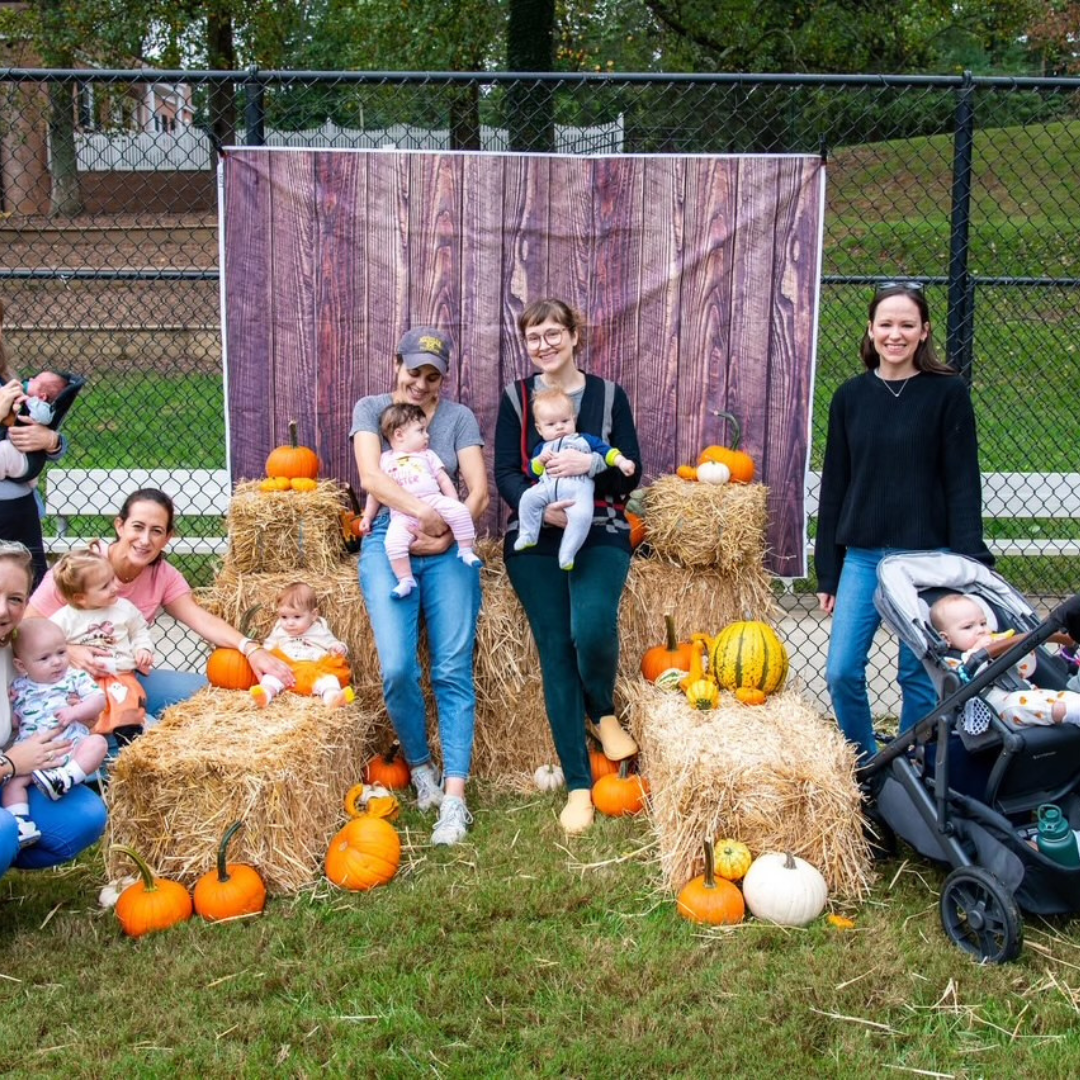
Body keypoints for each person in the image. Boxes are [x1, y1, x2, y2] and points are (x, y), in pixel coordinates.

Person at [815, 282, 993, 762]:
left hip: (926, 562)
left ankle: (913, 766)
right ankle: (868, 764)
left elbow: (962, 482)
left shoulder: (947, 394)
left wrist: (970, 561)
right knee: (842, 670)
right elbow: (835, 487)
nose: (896, 334)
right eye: (886, 324)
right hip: (864, 559)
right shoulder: (850, 397)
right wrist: (828, 571)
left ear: (924, 331)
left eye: (907, 325)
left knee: (917, 673)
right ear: (871, 330)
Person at [494, 299, 642, 836]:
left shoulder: (608, 397)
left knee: (592, 625)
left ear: (575, 335)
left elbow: (631, 472)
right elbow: (507, 473)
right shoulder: (516, 398)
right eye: (534, 337)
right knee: (556, 643)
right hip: (534, 537)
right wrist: (540, 500)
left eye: (554, 333)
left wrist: (590, 468)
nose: (545, 345)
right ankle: (580, 785)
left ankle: (601, 710)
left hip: (600, 528)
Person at [351, 326, 488, 846]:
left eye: (433, 376)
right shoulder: (371, 409)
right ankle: (420, 766)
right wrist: (424, 517)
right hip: (392, 536)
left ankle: (453, 799)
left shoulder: (457, 419)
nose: (422, 384)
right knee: (397, 668)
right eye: (414, 372)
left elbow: (477, 491)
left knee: (453, 667)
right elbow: (372, 478)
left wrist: (447, 530)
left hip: (448, 541)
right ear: (396, 365)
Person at [26, 488, 295, 717]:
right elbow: (26, 625)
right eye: (137, 527)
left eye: (156, 531)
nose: (145, 540)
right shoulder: (80, 569)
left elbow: (201, 619)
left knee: (211, 697)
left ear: (168, 538)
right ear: (120, 525)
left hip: (124, 675)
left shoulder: (164, 576)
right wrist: (68, 649)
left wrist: (251, 649)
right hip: (68, 681)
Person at [0, 540, 107, 880]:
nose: (3, 610)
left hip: (13, 774)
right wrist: (12, 763)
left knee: (85, 816)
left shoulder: (18, 653)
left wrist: (80, 714)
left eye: (15, 599)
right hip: (9, 770)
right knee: (4, 830)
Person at [359, 402, 482, 599]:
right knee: (393, 542)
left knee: (461, 512)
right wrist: (367, 516)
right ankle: (405, 579)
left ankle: (465, 549)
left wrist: (453, 503)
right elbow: (375, 492)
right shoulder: (385, 459)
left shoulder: (428, 455)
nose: (427, 435)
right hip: (401, 514)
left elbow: (443, 480)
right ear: (399, 435)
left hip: (433, 501)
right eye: (421, 430)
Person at [2, 618, 107, 843]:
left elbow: (98, 700)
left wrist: (77, 711)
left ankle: (66, 777)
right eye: (45, 658)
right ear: (22, 666)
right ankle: (20, 821)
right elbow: (14, 723)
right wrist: (10, 708)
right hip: (33, 757)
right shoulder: (19, 686)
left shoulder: (74, 678)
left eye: (61, 652)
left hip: (71, 746)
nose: (57, 662)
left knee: (98, 743)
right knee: (14, 783)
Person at [514, 388, 636, 571]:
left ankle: (567, 553)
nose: (559, 427)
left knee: (582, 516)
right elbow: (532, 472)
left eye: (565, 421)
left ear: (574, 419)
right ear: (539, 429)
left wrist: (622, 462)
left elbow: (607, 452)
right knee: (527, 499)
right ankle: (528, 534)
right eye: (551, 424)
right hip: (548, 488)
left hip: (578, 491)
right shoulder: (542, 448)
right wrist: (540, 461)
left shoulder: (585, 440)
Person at [50, 548, 155, 742]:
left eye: (112, 579)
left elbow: (139, 631)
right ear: (81, 597)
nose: (115, 587)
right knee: (84, 710)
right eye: (105, 586)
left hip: (120, 674)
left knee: (128, 701)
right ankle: (89, 741)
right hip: (83, 679)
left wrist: (143, 649)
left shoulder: (123, 608)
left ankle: (131, 735)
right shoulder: (64, 618)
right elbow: (49, 644)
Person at [930, 592, 1080, 726]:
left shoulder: (998, 648)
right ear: (946, 638)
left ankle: (1072, 709)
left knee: (1062, 696)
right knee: (1019, 706)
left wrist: (1015, 651)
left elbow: (1026, 670)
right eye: (968, 627)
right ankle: (1066, 711)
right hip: (996, 708)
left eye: (983, 623)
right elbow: (967, 683)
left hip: (1027, 693)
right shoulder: (953, 662)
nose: (981, 630)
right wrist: (978, 652)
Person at [0, 300, 69, 587]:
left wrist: (51, 441)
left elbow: (42, 430)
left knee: (26, 592)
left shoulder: (7, 380)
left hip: (19, 511)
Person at [250, 581, 354, 708]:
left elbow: (332, 643)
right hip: (287, 671)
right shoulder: (279, 630)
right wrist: (260, 650)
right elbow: (268, 646)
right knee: (271, 678)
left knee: (329, 680)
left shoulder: (318, 630)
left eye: (297, 617)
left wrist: (339, 648)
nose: (289, 623)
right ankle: (264, 694)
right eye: (284, 617)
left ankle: (333, 698)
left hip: (314, 670)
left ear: (313, 615)